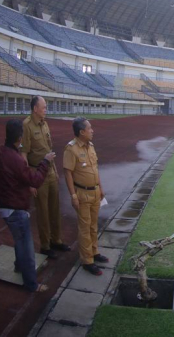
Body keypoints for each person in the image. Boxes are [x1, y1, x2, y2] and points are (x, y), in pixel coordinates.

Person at [0, 119, 55, 292]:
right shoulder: (16, 159)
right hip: (15, 209)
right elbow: (34, 180)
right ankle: (32, 284)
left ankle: (19, 266)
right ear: (20, 138)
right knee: (26, 247)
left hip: (4, 205)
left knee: (19, 241)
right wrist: (45, 162)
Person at [21, 96, 69, 259]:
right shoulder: (26, 126)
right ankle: (45, 245)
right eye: (44, 107)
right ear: (35, 108)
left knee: (55, 208)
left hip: (50, 171)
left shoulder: (45, 123)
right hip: (36, 173)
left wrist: (54, 171)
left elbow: (49, 148)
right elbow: (23, 154)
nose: (46, 109)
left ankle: (56, 240)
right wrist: (30, 181)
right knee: (43, 211)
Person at [63, 117, 109, 276]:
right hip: (82, 194)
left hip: (95, 192)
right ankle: (87, 260)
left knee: (93, 225)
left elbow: (95, 169)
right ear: (81, 132)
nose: (92, 130)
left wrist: (101, 188)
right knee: (84, 228)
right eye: (89, 128)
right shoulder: (71, 149)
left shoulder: (91, 146)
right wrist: (73, 196)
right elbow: (68, 172)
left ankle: (95, 252)